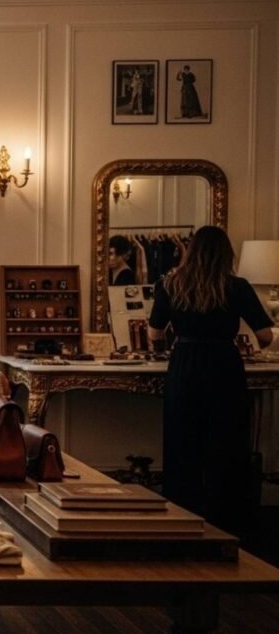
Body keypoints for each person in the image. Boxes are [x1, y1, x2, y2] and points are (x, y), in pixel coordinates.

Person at [148, 226, 273, 537]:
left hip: (186, 363)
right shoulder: (237, 287)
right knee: (226, 443)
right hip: (223, 366)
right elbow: (265, 336)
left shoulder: (170, 283)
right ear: (225, 253)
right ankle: (227, 522)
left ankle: (182, 516)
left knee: (182, 442)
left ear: (190, 251)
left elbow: (154, 333)